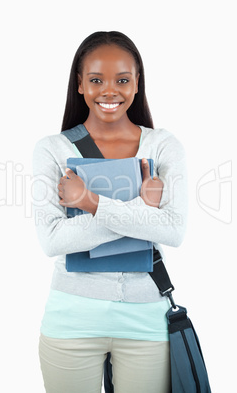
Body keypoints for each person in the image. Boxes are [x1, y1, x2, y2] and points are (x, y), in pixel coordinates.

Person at [32, 31, 187, 393]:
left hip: (145, 318)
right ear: (81, 85)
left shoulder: (163, 146)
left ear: (137, 84)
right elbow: (53, 240)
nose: (109, 90)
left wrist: (90, 202)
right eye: (96, 79)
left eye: (122, 79)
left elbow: (174, 231)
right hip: (71, 317)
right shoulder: (52, 149)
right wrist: (143, 209)